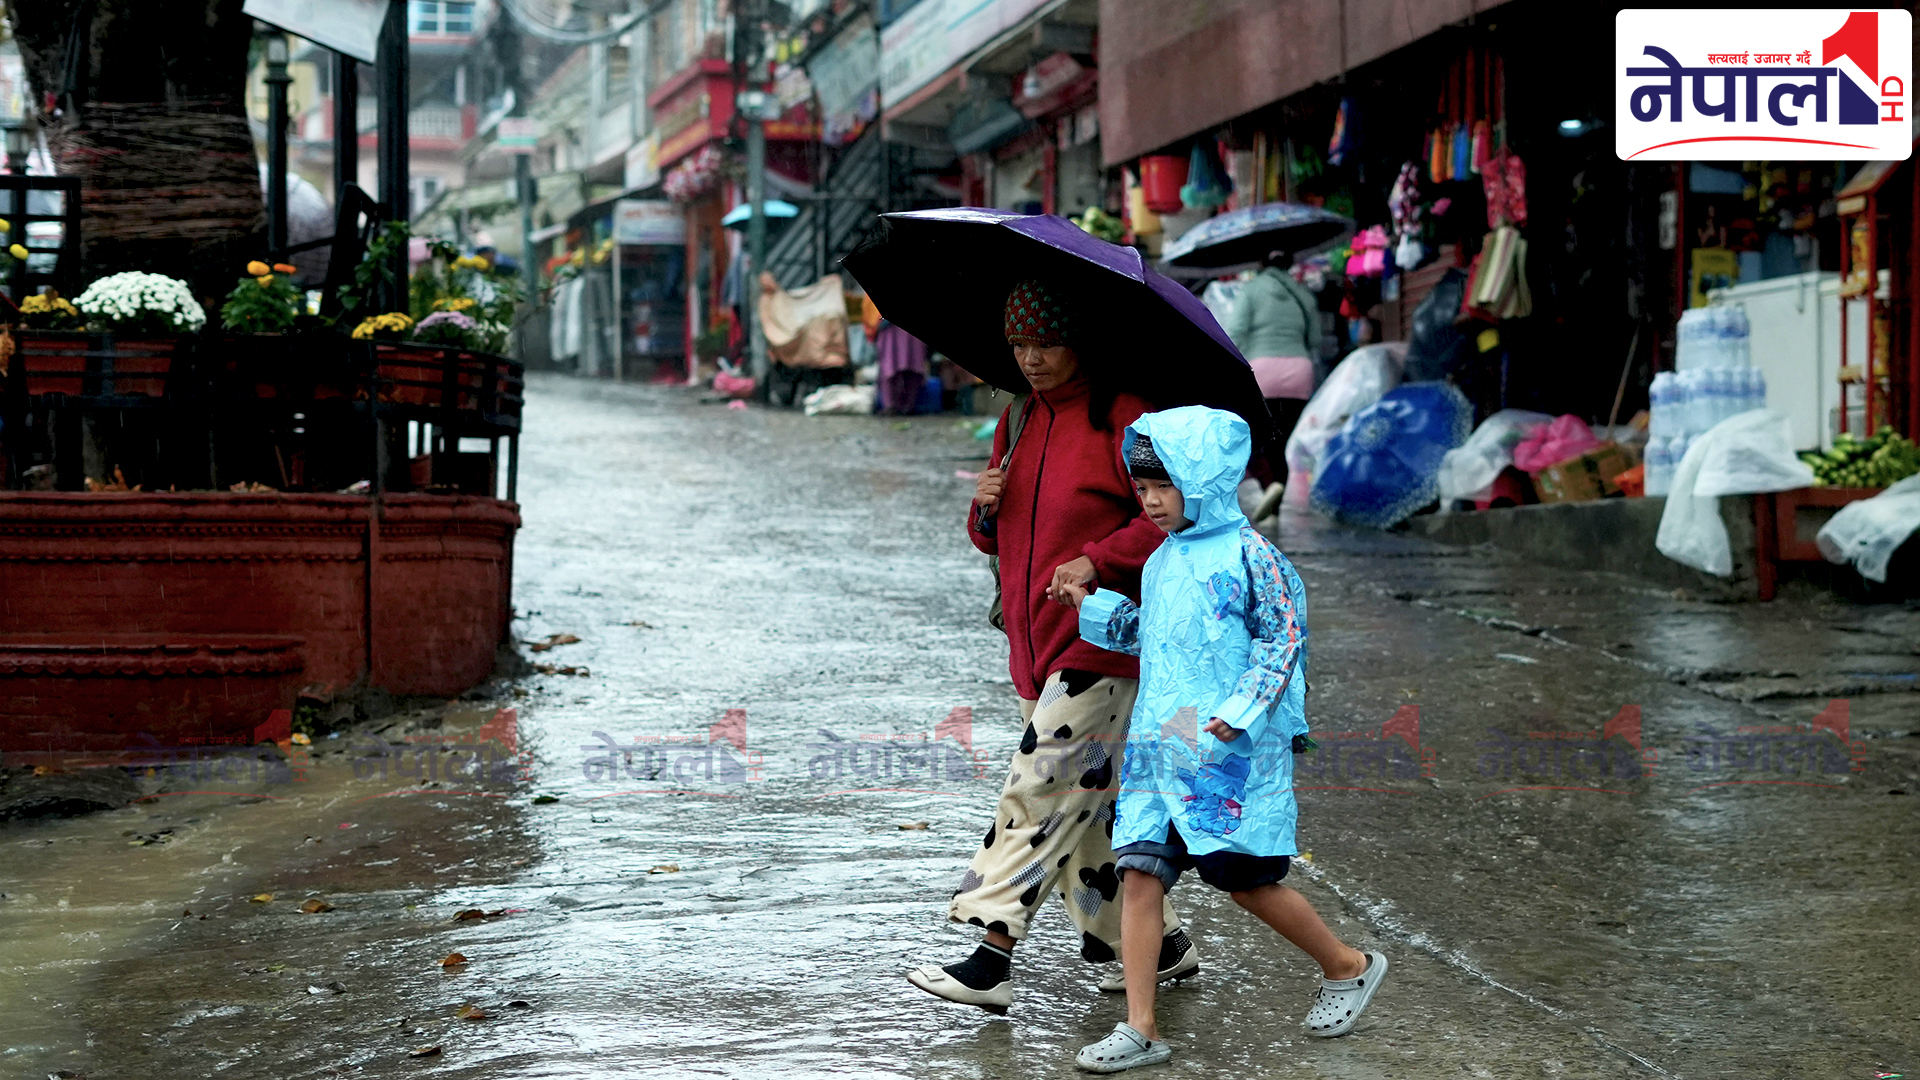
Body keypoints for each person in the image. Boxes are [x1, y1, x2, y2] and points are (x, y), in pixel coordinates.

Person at [1057, 406, 1388, 1072]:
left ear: (1203, 478)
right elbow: (1149, 640)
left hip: (1226, 747)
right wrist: (1093, 608)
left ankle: (1347, 964)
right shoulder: (1161, 561)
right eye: (1142, 486)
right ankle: (1141, 1026)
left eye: (1163, 485)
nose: (1149, 500)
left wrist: (1244, 709)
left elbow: (1283, 638)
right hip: (1163, 738)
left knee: (1241, 877)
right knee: (1141, 870)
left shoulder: (1252, 556)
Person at [906, 279, 1199, 1014]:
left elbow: (1173, 515)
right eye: (1019, 345)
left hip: (1105, 641)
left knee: (1035, 792)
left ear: (1081, 343)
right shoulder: (1018, 418)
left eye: (1045, 342)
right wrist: (983, 509)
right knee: (1088, 806)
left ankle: (991, 954)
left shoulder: (1128, 418)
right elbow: (994, 539)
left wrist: (1100, 558)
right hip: (1038, 643)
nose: (1031, 359)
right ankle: (1156, 947)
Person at [1224, 249, 1322, 523]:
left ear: (1262, 263)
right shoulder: (1303, 295)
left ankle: (1272, 493)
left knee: (1262, 439)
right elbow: (1314, 339)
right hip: (1299, 371)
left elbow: (1236, 331)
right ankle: (1277, 488)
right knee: (1284, 439)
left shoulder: (1252, 290)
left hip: (1263, 371)